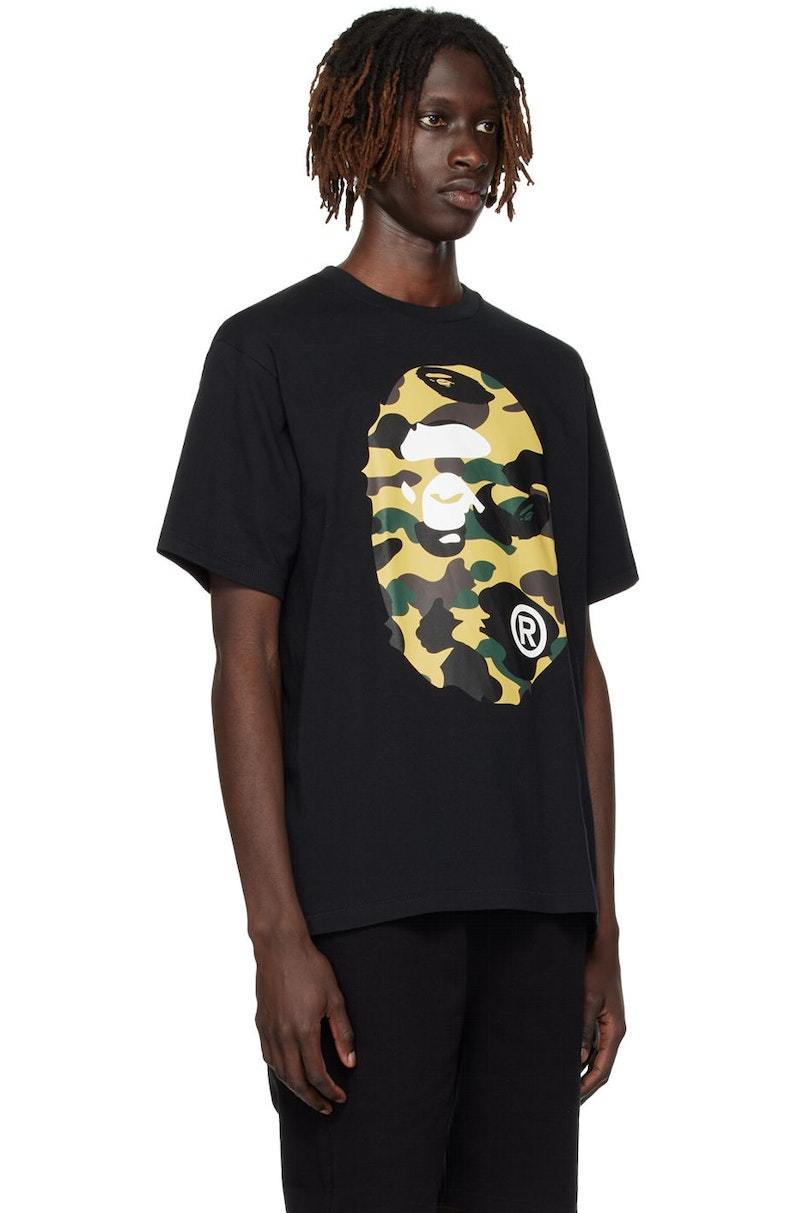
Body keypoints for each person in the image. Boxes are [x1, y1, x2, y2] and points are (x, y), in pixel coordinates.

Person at [156, 8, 640, 1210]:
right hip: (362, 909)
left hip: (535, 906)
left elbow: (575, 663)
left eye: (483, 124)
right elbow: (244, 656)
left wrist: (600, 926)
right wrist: (278, 933)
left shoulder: (550, 373)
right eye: (433, 120)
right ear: (361, 129)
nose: (467, 149)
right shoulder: (268, 354)